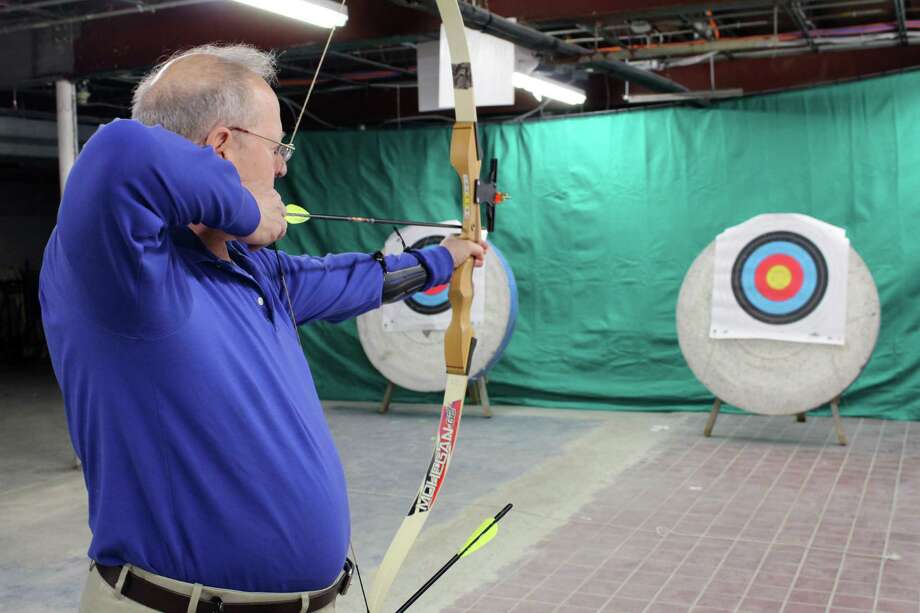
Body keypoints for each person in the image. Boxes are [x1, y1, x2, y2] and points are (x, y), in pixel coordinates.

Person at [39, 43, 486, 613]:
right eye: (277, 147)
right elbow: (118, 153)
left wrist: (444, 258)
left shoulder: (253, 268)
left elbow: (348, 281)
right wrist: (246, 212)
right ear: (222, 146)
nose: (282, 166)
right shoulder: (117, 268)